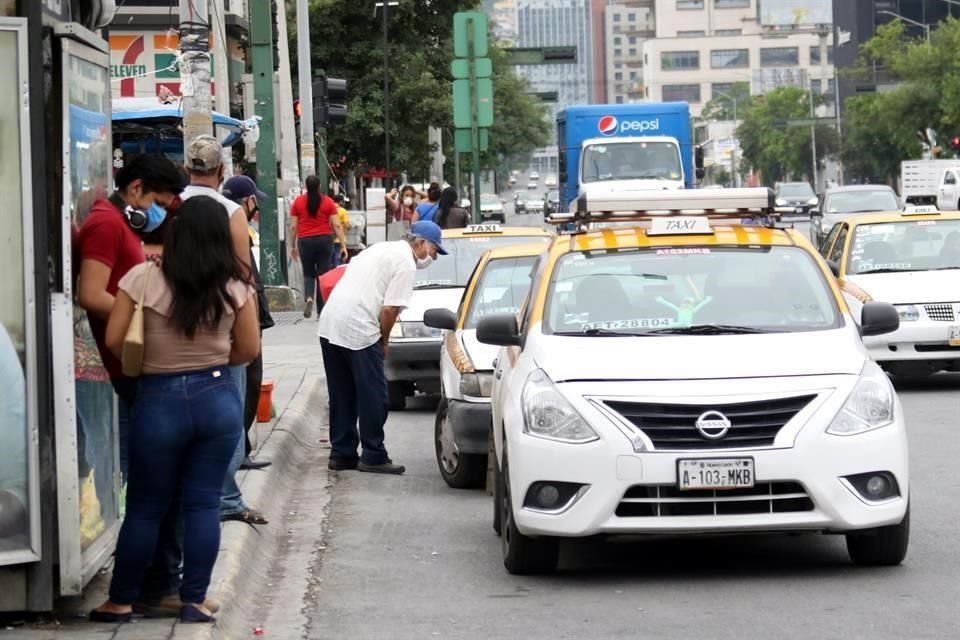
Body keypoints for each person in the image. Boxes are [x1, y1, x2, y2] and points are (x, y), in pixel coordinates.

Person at [90, 196, 259, 624]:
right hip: (217, 399)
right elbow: (248, 349)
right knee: (203, 504)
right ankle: (194, 600)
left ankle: (122, 600)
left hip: (158, 398)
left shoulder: (142, 279)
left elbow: (113, 339)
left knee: (146, 506)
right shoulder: (236, 285)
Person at [76, 154, 186, 611]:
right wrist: (143, 313)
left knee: (162, 484)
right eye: (159, 201)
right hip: (127, 367)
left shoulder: (119, 224)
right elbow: (91, 292)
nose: (161, 211)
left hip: (132, 367)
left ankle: (159, 582)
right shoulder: (106, 223)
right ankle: (156, 584)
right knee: (157, 486)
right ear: (137, 190)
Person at [179, 135, 267, 527]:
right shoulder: (232, 211)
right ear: (221, 172)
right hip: (221, 323)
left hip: (175, 322)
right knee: (228, 413)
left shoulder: (171, 206)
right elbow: (242, 273)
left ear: (187, 170)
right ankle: (226, 498)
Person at [317, 221, 447, 475]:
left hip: (330, 322)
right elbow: (389, 309)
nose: (432, 258)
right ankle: (373, 454)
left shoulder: (380, 249)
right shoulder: (406, 263)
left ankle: (342, 454)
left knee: (342, 393)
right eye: (433, 251)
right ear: (420, 243)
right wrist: (384, 340)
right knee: (375, 395)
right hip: (359, 327)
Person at [223, 175, 276, 471]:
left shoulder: (232, 225)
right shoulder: (235, 226)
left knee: (247, 383)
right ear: (246, 201)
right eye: (255, 200)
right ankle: (237, 450)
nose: (257, 207)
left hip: (245, 317)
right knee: (248, 382)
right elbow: (245, 281)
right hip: (242, 319)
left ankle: (239, 446)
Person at [290, 176, 348, 318]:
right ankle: (321, 310)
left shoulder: (298, 202)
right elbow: (337, 225)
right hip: (324, 241)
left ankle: (309, 298)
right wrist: (343, 245)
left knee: (308, 272)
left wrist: (292, 245)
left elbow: (293, 227)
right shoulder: (328, 202)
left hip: (305, 241)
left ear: (306, 186)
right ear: (319, 186)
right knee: (322, 274)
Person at [331, 193, 352, 267]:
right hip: (339, 238)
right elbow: (347, 225)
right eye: (343, 201)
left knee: (331, 256)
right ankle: (337, 271)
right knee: (338, 256)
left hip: (329, 237)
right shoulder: (343, 211)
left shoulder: (329, 209)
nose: (343, 203)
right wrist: (350, 226)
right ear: (340, 202)